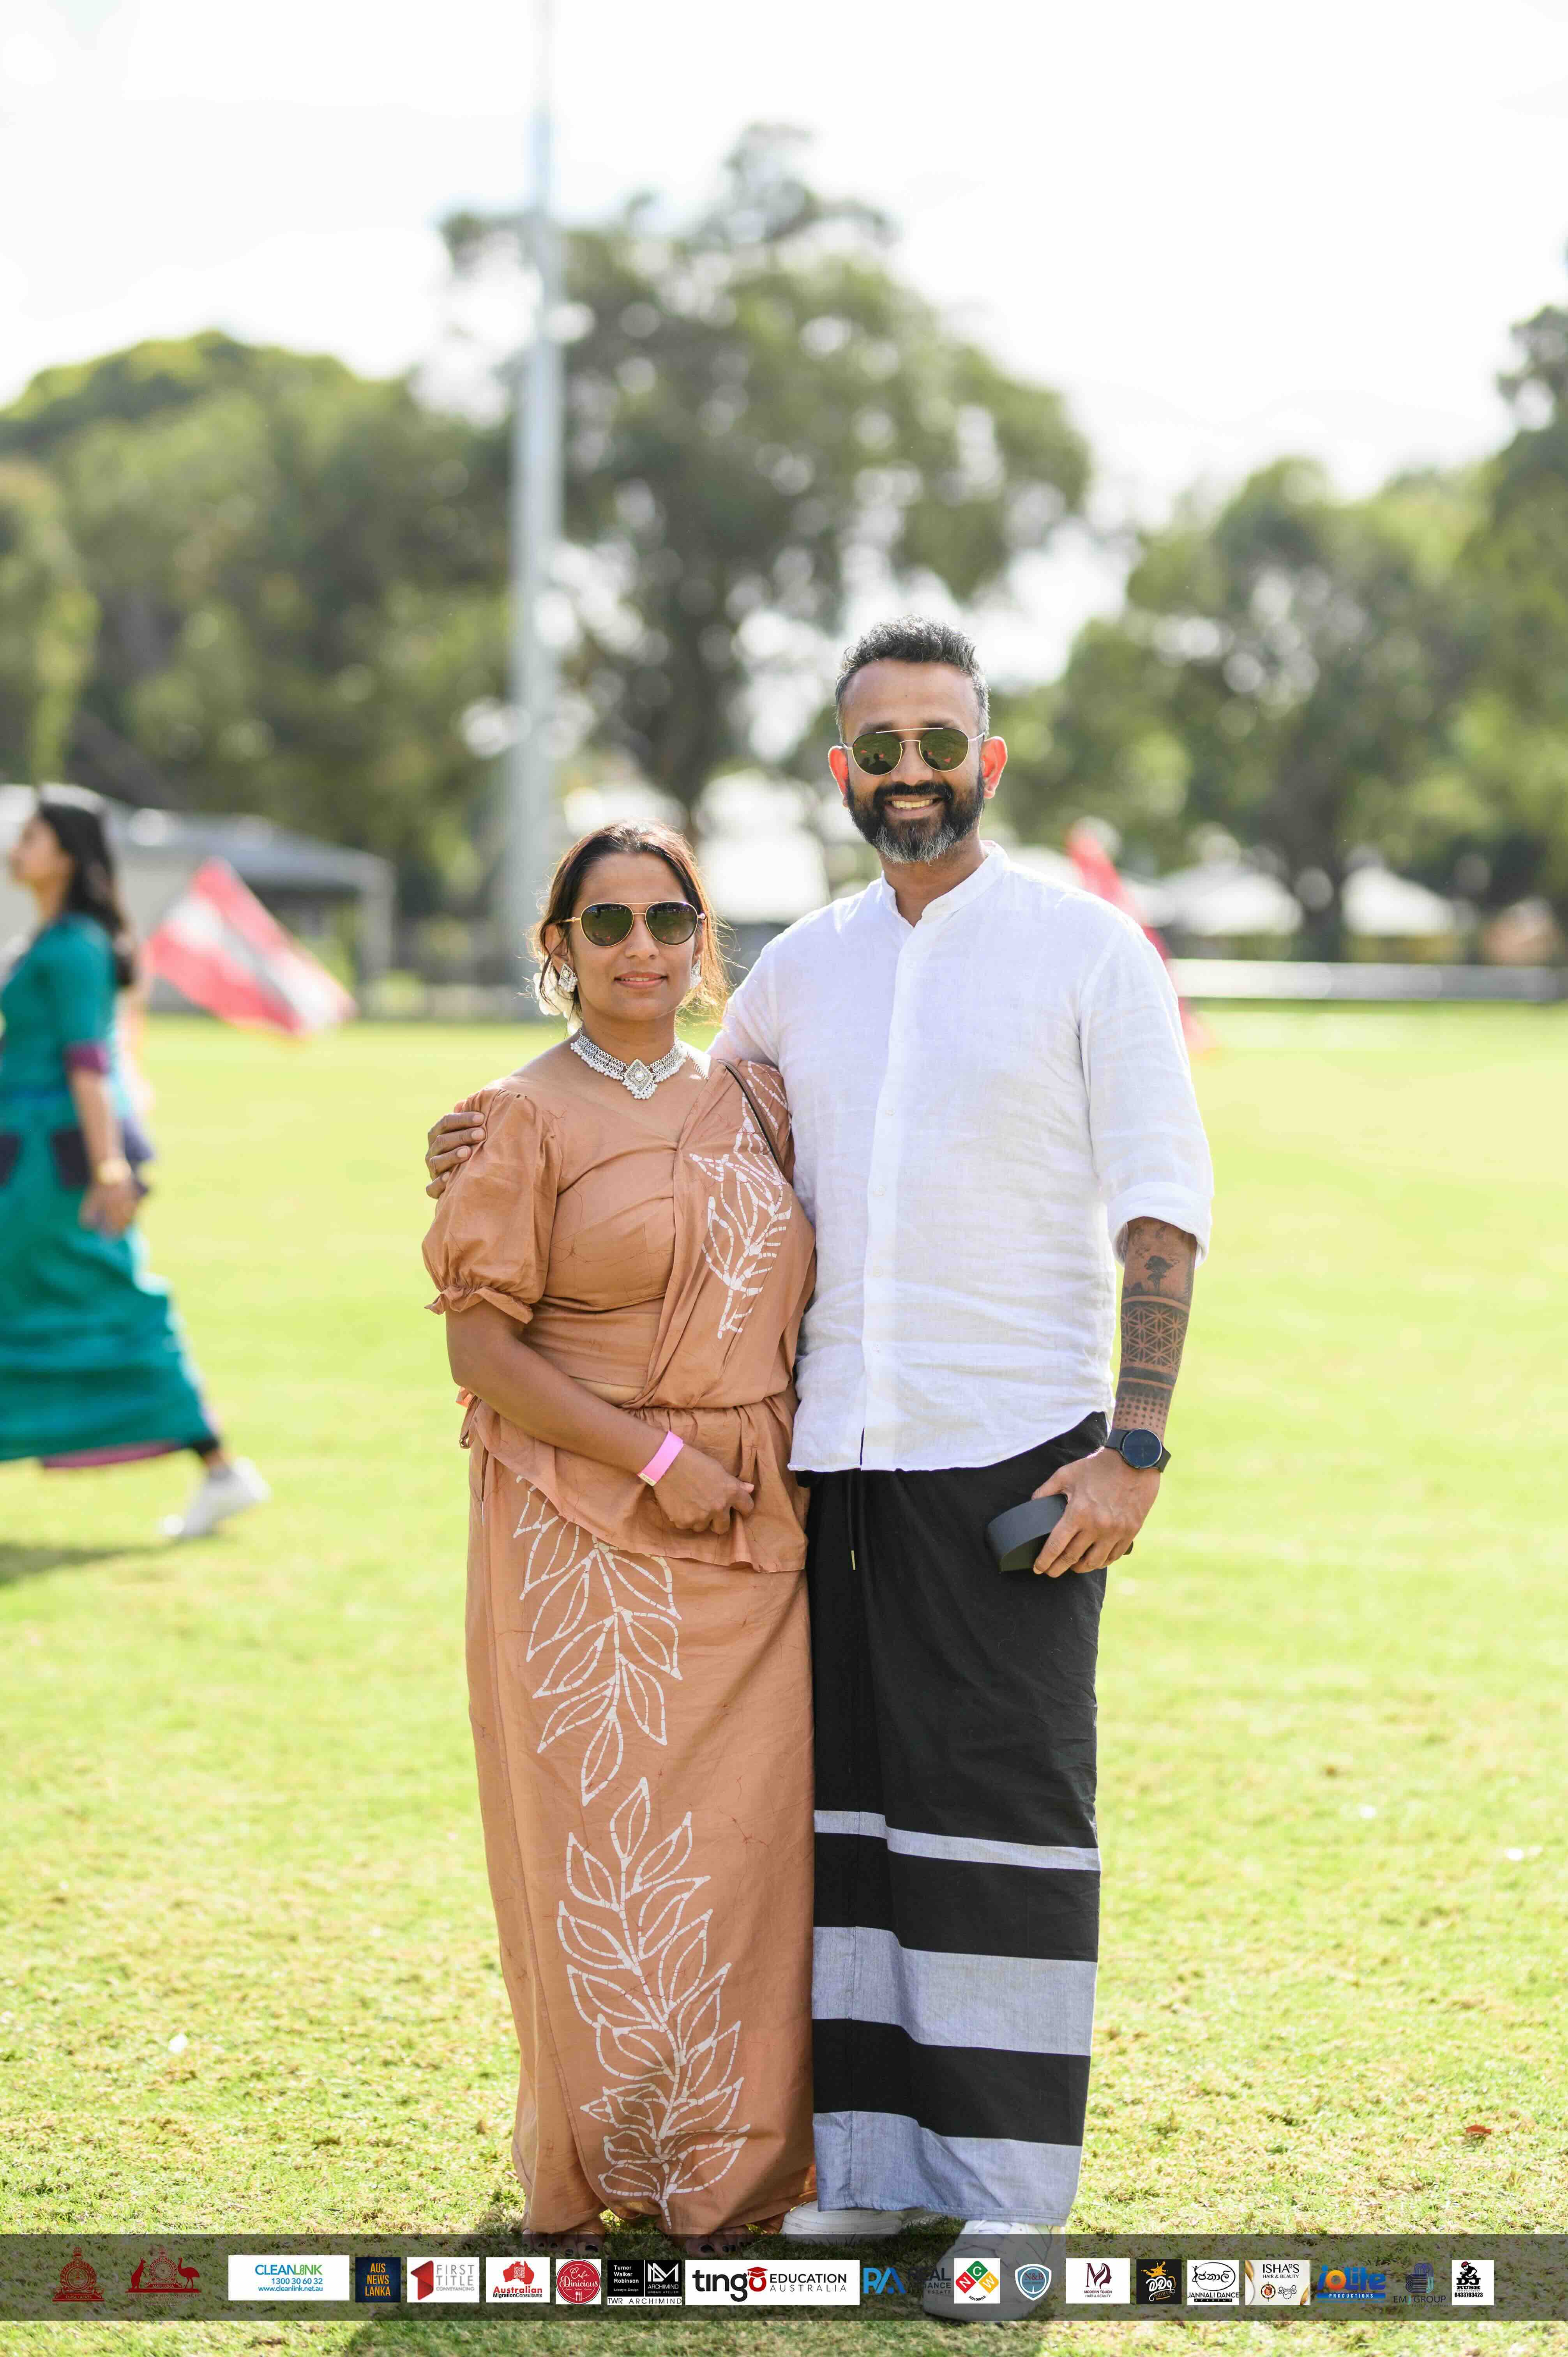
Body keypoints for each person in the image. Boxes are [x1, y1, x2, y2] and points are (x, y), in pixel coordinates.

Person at [427, 617, 1213, 2319]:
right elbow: (677, 1117)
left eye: (941, 740)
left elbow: (1162, 1204)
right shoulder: (795, 969)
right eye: (880, 744)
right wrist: (491, 1126)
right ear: (841, 768)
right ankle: (860, 2177)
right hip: (827, 1460)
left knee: (1001, 1819)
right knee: (840, 1823)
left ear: (986, 762)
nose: (910, 769)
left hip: (1013, 1451)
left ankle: (1007, 2207)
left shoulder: (1088, 954)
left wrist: (1132, 1447)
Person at [420, 822, 817, 2253]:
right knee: (605, 1847)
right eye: (606, 922)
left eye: (668, 916)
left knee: (748, 1848)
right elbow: (479, 1342)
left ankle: (744, 2162)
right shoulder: (518, 1115)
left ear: (704, 939)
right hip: (588, 1526)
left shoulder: (758, 1100)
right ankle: (613, 2154)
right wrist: (657, 1458)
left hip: (756, 1523)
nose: (640, 944)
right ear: (559, 949)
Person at [0, 794, 270, 1539]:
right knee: (53, 1304)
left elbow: (89, 1065)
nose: (16, 848)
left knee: (109, 1303)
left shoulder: (76, 945)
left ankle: (221, 1470)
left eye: (32, 837)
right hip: (24, 1158)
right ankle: (220, 1471)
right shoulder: (50, 939)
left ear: (69, 855)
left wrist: (110, 1168)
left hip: (53, 1169)